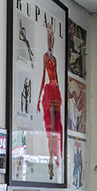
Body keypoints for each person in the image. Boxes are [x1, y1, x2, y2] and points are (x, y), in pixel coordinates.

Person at [37, 21, 63, 180]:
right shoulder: (46, 56)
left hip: (55, 92)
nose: (50, 42)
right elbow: (42, 76)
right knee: (51, 129)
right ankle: (50, 160)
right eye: (49, 39)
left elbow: (57, 77)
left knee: (56, 128)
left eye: (52, 39)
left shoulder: (54, 58)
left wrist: (60, 91)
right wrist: (38, 98)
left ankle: (54, 159)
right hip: (48, 93)